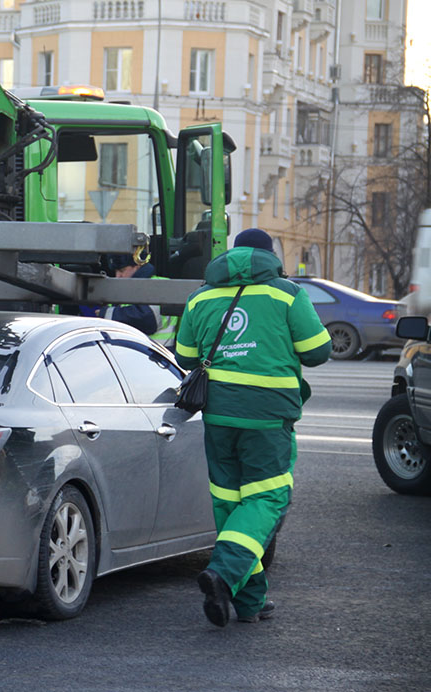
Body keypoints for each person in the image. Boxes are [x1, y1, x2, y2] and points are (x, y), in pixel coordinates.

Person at [174, 228, 331, 627]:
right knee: (267, 499)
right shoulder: (287, 294)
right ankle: (224, 573)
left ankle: (250, 602)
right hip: (267, 416)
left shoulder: (201, 296)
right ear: (270, 256)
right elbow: (318, 352)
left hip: (218, 415)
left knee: (230, 502)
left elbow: (186, 356)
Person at [81, 254, 178, 348]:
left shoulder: (160, 284)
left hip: (156, 357)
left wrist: (108, 314)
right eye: (116, 271)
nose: (118, 275)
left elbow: (148, 319)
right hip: (130, 355)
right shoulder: (121, 290)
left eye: (122, 270)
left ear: (138, 266)